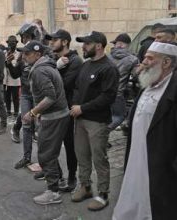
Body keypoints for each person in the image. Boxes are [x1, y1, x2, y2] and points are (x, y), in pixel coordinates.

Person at [113, 42, 177, 220]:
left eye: (150, 58)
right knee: (135, 193)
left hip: (162, 163)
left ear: (166, 62)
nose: (144, 61)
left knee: (159, 204)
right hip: (137, 155)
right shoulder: (148, 81)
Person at [16, 41, 70, 205]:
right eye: (23, 53)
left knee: (45, 154)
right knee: (49, 151)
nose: (24, 57)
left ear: (37, 55)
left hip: (54, 117)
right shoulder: (46, 66)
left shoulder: (40, 71)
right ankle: (57, 180)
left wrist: (32, 113)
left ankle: (53, 192)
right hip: (54, 116)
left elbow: (50, 97)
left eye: (27, 53)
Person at [70, 31, 119, 211]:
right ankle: (85, 187)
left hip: (97, 122)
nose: (83, 46)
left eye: (87, 44)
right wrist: (75, 104)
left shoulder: (108, 68)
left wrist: (82, 108)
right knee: (82, 156)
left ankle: (103, 194)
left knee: (99, 159)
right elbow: (77, 88)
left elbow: (108, 97)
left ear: (98, 46)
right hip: (81, 120)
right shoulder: (86, 65)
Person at [46, 29, 83, 191]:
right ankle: (57, 174)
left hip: (67, 109)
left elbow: (63, 85)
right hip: (52, 107)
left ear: (65, 42)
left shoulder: (75, 61)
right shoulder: (53, 58)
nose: (51, 43)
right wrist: (55, 65)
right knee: (51, 144)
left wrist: (55, 68)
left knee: (69, 144)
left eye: (55, 40)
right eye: (50, 40)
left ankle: (72, 176)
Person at [7, 23, 40, 171]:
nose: (24, 40)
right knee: (26, 125)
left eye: (26, 37)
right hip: (26, 94)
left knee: (42, 128)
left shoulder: (41, 52)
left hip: (40, 95)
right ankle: (26, 158)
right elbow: (16, 74)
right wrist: (8, 64)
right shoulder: (22, 54)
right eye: (23, 38)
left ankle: (46, 162)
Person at [107, 33, 139, 132]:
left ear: (119, 45)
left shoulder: (107, 57)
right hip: (118, 93)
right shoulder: (133, 59)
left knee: (106, 116)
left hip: (103, 92)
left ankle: (102, 137)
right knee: (119, 117)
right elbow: (136, 75)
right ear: (127, 45)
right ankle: (103, 133)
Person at [3, 35, 21, 118]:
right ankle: (8, 111)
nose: (11, 44)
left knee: (15, 97)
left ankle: (16, 112)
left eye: (13, 42)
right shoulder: (4, 53)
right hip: (6, 79)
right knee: (7, 97)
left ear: (16, 43)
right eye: (10, 42)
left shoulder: (19, 54)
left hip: (15, 79)